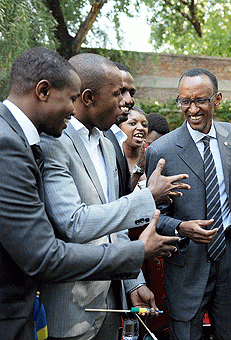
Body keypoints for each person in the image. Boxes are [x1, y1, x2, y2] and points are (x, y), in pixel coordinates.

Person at [0, 47, 178, 340]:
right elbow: (70, 225)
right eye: (118, 93)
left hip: (108, 304)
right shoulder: (39, 142)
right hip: (65, 309)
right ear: (86, 98)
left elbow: (116, 217)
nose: (127, 102)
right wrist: (147, 202)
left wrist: (132, 281)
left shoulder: (109, 144)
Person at [145, 67, 231, 340]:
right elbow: (153, 214)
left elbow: (229, 189)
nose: (192, 109)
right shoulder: (161, 150)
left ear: (217, 99)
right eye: (184, 101)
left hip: (228, 255)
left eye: (201, 100)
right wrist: (180, 227)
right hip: (186, 261)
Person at [103, 62, 136, 197]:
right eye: (121, 92)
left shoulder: (115, 137)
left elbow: (122, 194)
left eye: (132, 93)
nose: (129, 100)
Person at [119, 106, 149, 190]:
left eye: (144, 125)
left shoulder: (152, 159)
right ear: (119, 128)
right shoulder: (113, 161)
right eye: (132, 123)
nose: (140, 128)